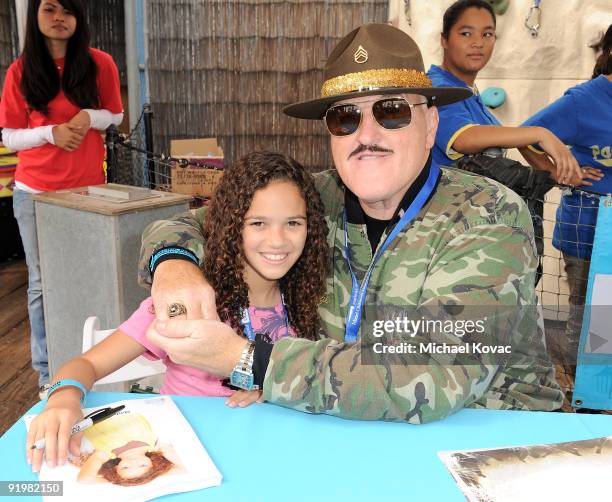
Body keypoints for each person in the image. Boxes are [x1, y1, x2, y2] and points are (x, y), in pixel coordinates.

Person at [138, 23, 564, 424]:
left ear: (431, 123)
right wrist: (175, 265)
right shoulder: (311, 198)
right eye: (346, 118)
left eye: (391, 111)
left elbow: (431, 377)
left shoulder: (486, 214)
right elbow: (191, 224)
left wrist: (249, 360)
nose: (366, 134)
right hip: (344, 425)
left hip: (490, 433)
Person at [25, 151, 329, 473]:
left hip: (269, 459)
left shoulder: (310, 299)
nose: (278, 240)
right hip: (185, 460)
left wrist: (272, 389)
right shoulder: (186, 301)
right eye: (257, 223)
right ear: (231, 225)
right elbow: (86, 363)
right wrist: (63, 398)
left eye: (293, 223)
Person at [0, 0, 124, 398]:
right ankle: (46, 372)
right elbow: (9, 136)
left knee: (93, 276)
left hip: (88, 192)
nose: (59, 18)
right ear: (35, 17)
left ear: (78, 18)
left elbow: (116, 116)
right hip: (35, 193)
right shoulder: (21, 70)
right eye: (50, 9)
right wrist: (50, 133)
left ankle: (97, 364)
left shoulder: (99, 63)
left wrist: (89, 116)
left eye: (68, 11)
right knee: (41, 284)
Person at [426, 0, 598, 283]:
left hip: (477, 237)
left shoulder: (468, 93)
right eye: (466, 33)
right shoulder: (438, 87)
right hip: (448, 239)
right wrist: (540, 134)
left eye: (487, 34)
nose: (478, 43)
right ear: (444, 39)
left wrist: (553, 169)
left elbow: (494, 146)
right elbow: (465, 139)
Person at [520, 24, 612, 383]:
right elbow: (526, 136)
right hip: (588, 229)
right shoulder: (581, 101)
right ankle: (585, 392)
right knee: (591, 311)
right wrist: (558, 169)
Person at [74, 411, 183, 486]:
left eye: (125, 468)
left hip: (93, 412)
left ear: (116, 468)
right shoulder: (155, 445)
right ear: (152, 464)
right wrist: (149, 478)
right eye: (142, 465)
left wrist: (118, 481)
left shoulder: (105, 453)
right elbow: (184, 468)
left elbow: (84, 479)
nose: (133, 462)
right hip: (125, 405)